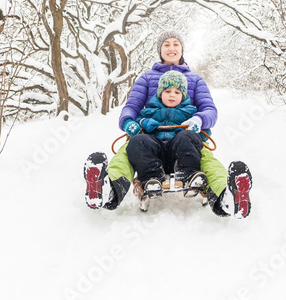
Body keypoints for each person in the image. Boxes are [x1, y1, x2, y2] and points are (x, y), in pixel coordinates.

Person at [84, 30, 252, 217]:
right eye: (166, 44)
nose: (171, 48)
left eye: (176, 44)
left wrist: (199, 119)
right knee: (129, 150)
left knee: (208, 160)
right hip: (151, 141)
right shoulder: (147, 78)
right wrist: (129, 122)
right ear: (159, 50)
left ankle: (226, 197)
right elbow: (131, 107)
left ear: (182, 49)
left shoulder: (195, 80)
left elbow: (210, 110)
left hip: (185, 141)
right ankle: (108, 189)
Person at [128, 70, 209, 196]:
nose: (172, 95)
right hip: (155, 154)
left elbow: (204, 134)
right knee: (137, 140)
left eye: (177, 92)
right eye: (167, 91)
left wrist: (193, 130)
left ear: (183, 95)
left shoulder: (190, 111)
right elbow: (138, 121)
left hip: (179, 154)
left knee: (186, 136)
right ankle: (151, 178)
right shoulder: (149, 110)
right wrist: (144, 122)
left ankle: (189, 174)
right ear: (160, 93)